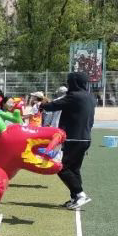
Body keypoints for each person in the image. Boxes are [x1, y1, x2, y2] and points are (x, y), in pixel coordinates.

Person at [40, 72, 96, 210]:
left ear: (73, 83)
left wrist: (43, 104)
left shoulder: (73, 96)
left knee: (62, 168)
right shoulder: (90, 97)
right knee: (74, 169)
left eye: (69, 81)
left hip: (73, 138)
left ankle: (80, 194)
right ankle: (75, 198)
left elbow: (53, 106)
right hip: (85, 138)